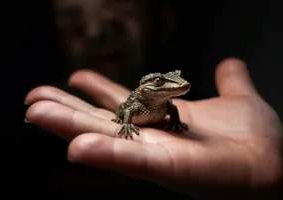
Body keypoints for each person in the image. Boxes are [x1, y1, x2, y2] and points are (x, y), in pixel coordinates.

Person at [24, 58, 283, 199]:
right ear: (147, 86)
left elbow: (172, 110)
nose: (171, 85)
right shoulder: (135, 106)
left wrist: (177, 123)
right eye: (159, 81)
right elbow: (125, 111)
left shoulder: (167, 106)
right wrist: (125, 121)